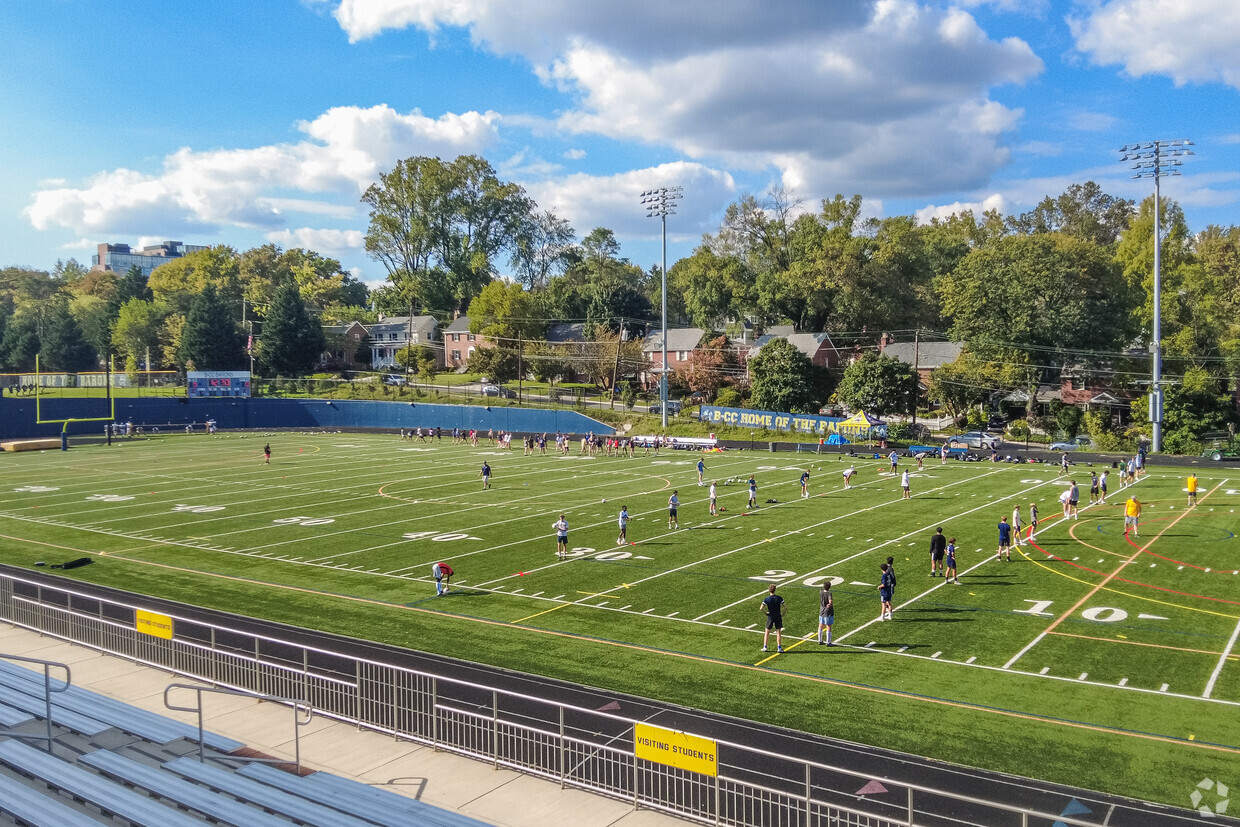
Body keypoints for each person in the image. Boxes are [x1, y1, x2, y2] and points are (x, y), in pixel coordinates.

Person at [760, 584, 785, 652]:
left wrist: (765, 613)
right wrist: (783, 613)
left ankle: (765, 647)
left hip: (770, 616)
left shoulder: (767, 599)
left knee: (767, 632)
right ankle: (779, 648)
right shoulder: (779, 598)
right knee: (778, 632)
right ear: (775, 590)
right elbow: (785, 607)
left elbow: (761, 608)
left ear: (769, 590)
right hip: (778, 616)